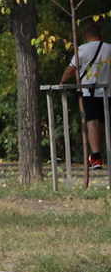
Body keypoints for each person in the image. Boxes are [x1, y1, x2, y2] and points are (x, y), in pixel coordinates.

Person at [60, 22, 111, 170]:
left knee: (91, 123)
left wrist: (63, 81)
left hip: (89, 92)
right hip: (107, 93)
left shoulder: (83, 49)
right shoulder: (109, 48)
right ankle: (97, 155)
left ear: (87, 36)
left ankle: (96, 157)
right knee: (101, 123)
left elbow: (71, 69)